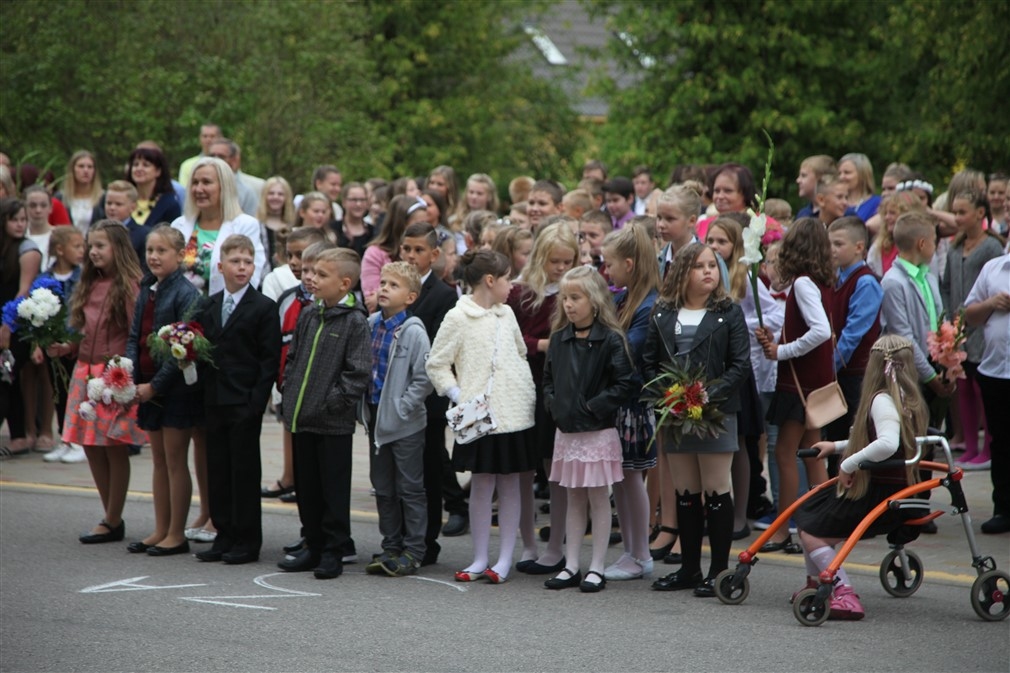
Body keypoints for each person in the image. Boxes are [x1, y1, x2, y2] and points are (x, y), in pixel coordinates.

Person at [797, 335, 930, 620]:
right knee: (812, 512)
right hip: (905, 492)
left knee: (810, 529)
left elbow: (886, 445)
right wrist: (835, 447)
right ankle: (816, 584)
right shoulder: (908, 399)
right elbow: (880, 439)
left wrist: (849, 465)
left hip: (881, 495)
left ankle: (842, 592)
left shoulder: (881, 400)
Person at [644, 243, 751, 596]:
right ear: (681, 272)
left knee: (716, 489)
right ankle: (689, 568)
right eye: (699, 266)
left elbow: (739, 365)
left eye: (713, 265)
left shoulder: (728, 311)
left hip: (716, 412)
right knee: (686, 492)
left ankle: (718, 571)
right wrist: (668, 397)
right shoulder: (662, 313)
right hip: (676, 412)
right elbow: (649, 363)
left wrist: (706, 395)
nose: (709, 271)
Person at [426, 250, 537, 584]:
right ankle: (479, 557)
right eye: (508, 279)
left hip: (515, 413)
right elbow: (436, 363)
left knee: (510, 484)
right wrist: (460, 395)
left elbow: (520, 353)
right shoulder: (458, 317)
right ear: (490, 280)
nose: (512, 286)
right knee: (482, 483)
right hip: (480, 418)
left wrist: (524, 389)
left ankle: (503, 559)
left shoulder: (507, 315)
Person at [542, 267, 636, 592]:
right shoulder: (559, 338)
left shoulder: (610, 339)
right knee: (572, 498)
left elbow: (625, 383)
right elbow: (549, 381)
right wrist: (555, 406)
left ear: (594, 300)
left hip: (597, 432)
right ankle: (570, 565)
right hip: (567, 432)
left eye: (576, 298)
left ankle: (596, 567)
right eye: (565, 298)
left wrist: (592, 407)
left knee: (598, 498)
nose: (568, 304)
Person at [278, 248, 369, 579]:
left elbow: (357, 373)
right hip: (302, 419)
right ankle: (313, 545)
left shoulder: (354, 322)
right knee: (308, 490)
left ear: (344, 283)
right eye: (311, 273)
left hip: (332, 424)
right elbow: (294, 358)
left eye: (321, 275)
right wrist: (290, 394)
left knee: (332, 490)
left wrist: (333, 402)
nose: (312, 279)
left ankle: (334, 549)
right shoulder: (308, 314)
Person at [194, 235, 280, 564]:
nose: (242, 267)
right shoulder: (209, 305)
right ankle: (224, 535)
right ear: (221, 266)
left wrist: (256, 404)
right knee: (217, 469)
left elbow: (268, 360)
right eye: (235, 262)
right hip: (214, 399)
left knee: (243, 472)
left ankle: (246, 540)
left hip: (244, 401)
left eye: (247, 262)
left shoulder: (263, 308)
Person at [60, 221, 146, 542]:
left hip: (113, 375)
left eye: (100, 246)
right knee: (91, 445)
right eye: (90, 246)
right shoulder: (88, 283)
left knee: (113, 447)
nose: (93, 252)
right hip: (84, 372)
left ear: (119, 249)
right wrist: (66, 347)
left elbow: (135, 336)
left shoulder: (130, 286)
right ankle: (110, 513)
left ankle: (112, 518)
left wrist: (121, 373)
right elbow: (82, 331)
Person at [755, 218, 835, 552]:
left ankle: (782, 527)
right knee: (813, 454)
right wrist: (779, 338)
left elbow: (820, 330)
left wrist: (781, 350)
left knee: (785, 452)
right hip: (815, 381)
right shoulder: (822, 280)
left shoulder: (802, 283)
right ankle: (826, 520)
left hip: (799, 382)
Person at [125, 225, 202, 556]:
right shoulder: (147, 288)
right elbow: (134, 336)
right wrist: (128, 375)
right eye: (150, 251)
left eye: (161, 251)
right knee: (157, 459)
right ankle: (160, 528)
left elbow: (183, 350)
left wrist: (155, 386)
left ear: (181, 255)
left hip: (173, 389)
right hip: (146, 383)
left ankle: (176, 532)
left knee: (174, 460)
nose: (153, 256)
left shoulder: (186, 294)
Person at [705, 216, 784, 537]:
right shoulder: (705, 274)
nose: (714, 247)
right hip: (715, 368)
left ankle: (742, 512)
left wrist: (748, 326)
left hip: (743, 368)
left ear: (736, 246)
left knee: (743, 444)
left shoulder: (743, 277)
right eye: (710, 240)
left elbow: (775, 312)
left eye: (721, 242)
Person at [508, 223, 579, 576]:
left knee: (556, 470)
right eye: (555, 261)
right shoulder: (521, 292)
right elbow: (510, 334)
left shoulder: (575, 292)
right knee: (522, 469)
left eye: (568, 261)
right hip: (524, 383)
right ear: (540, 259)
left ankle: (556, 545)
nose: (561, 268)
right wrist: (541, 345)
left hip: (559, 388)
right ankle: (528, 543)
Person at [399, 222, 466, 559]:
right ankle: (401, 534)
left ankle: (427, 541)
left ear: (434, 255)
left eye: (419, 250)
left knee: (428, 467)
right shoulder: (394, 286)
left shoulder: (441, 295)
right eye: (406, 249)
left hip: (428, 397)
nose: (411, 256)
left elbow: (440, 349)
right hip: (397, 394)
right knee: (402, 470)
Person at [362, 262, 432, 576]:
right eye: (383, 283)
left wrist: (403, 408)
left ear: (411, 296)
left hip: (405, 423)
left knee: (410, 488)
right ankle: (391, 545)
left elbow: (424, 378)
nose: (384, 289)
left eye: (393, 285)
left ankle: (414, 551)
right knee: (383, 487)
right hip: (376, 418)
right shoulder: (371, 322)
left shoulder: (414, 331)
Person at [599, 223, 659, 581]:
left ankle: (641, 553)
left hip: (634, 402)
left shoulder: (647, 304)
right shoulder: (628, 299)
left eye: (610, 264)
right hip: (625, 401)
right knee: (622, 479)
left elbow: (627, 350)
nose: (607, 271)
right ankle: (632, 551)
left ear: (630, 264)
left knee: (631, 477)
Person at [261, 228, 328, 502]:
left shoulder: (329, 297)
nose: (295, 262)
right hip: (290, 384)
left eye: (301, 255)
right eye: (290, 255)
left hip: (322, 395)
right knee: (293, 434)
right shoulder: (287, 298)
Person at [941, 189, 1004, 470]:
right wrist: (948, 320)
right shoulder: (955, 247)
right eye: (954, 212)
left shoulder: (992, 248)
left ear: (980, 213)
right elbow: (946, 284)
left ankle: (988, 447)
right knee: (962, 384)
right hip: (960, 324)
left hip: (984, 328)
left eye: (962, 212)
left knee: (981, 386)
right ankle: (968, 444)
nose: (957, 218)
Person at [824, 216, 884, 476]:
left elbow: (852, 336)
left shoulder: (865, 282)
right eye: (829, 244)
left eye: (838, 244)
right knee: (835, 440)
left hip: (856, 376)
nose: (832, 250)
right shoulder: (835, 279)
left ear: (859, 247)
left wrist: (826, 368)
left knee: (854, 441)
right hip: (839, 375)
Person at [171, 157, 267, 296]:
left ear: (224, 187)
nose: (198, 189)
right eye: (195, 182)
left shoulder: (245, 225)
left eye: (206, 182)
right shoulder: (178, 225)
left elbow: (250, 277)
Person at [964, 252, 1010, 534]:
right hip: (995, 371)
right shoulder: (993, 268)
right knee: (1001, 442)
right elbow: (969, 314)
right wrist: (992, 303)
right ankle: (1003, 507)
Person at [38, 227, 86, 463]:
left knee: (76, 392)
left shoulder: (84, 277)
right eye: (76, 246)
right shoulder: (44, 279)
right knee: (59, 392)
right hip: (52, 345)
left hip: (75, 344)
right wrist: (39, 344)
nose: (82, 251)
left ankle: (78, 440)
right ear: (59, 249)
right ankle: (65, 439)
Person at [0, 198, 42, 457]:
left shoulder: (28, 250)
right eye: (14, 219)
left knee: (5, 377)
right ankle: (18, 436)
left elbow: (23, 291)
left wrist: (7, 325)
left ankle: (22, 435)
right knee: (8, 382)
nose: (19, 224)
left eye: (23, 220)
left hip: (16, 323)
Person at [361, 195, 428, 312]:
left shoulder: (427, 251)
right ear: (401, 223)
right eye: (418, 224)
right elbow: (373, 302)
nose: (424, 229)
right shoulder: (375, 253)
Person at [868, 191, 924, 278]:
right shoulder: (878, 246)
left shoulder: (922, 246)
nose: (887, 217)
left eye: (892, 213)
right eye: (885, 213)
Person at [125, 146, 181, 229]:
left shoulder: (170, 204)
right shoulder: (122, 198)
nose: (139, 168)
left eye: (146, 165)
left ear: (158, 171)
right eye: (135, 164)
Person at [207, 138, 262, 216]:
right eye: (212, 155)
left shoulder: (248, 190)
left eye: (221, 156)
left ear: (234, 160)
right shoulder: (198, 187)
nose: (215, 160)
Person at [59, 150, 105, 235]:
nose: (86, 170)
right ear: (72, 169)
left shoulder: (103, 197)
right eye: (81, 166)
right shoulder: (60, 197)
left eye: (90, 167)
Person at [256, 176, 296, 269]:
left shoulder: (293, 227)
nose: (275, 197)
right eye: (271, 193)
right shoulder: (255, 225)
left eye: (280, 194)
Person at [335, 182, 374, 259]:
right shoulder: (333, 229)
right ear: (344, 202)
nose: (358, 204)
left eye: (362, 200)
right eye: (354, 200)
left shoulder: (374, 232)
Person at [838, 152, 881, 223]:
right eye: (839, 173)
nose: (841, 177)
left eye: (847, 172)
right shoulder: (835, 203)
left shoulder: (877, 203)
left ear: (862, 175)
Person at [178, 122, 221, 188]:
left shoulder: (225, 163)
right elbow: (185, 192)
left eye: (212, 136)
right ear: (200, 138)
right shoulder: (187, 165)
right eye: (205, 136)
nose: (208, 139)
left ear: (220, 138)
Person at [795, 155, 837, 220]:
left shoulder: (836, 213)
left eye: (803, 175)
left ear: (822, 179)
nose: (798, 180)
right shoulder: (803, 214)